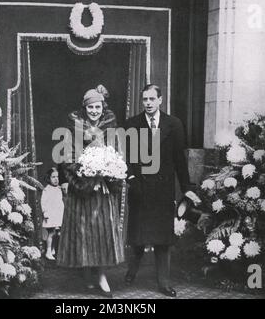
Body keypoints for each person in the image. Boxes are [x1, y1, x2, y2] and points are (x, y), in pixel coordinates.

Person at [124, 84, 197, 297]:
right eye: (144, 99)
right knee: (138, 236)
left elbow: (179, 160)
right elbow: (127, 158)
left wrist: (186, 188)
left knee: (162, 238)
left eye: (152, 99)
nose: (148, 103)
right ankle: (131, 272)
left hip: (163, 190)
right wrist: (131, 179)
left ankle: (163, 283)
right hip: (140, 189)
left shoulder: (174, 124)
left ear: (160, 100)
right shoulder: (132, 124)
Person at [57, 85, 125, 298]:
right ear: (84, 108)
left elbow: (118, 153)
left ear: (102, 107)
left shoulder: (111, 127)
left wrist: (110, 169)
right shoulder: (74, 128)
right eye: (90, 107)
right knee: (83, 231)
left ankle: (102, 276)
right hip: (83, 188)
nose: (94, 111)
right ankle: (86, 273)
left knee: (103, 232)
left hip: (103, 189)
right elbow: (67, 158)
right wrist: (84, 173)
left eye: (97, 107)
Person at [41, 167, 64, 260]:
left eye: (57, 177)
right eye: (53, 177)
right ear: (48, 178)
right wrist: (45, 213)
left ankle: (53, 249)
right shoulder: (47, 189)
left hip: (58, 215)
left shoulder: (58, 189)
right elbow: (43, 202)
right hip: (50, 215)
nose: (56, 179)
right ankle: (48, 251)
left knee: (57, 233)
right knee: (51, 233)